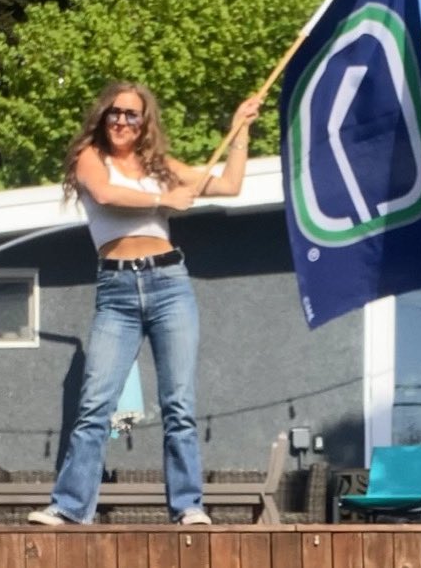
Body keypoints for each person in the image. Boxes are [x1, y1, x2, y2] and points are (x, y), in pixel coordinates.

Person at [28, 81, 261, 526]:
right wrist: (164, 199)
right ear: (103, 116)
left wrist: (240, 131)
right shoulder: (90, 159)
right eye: (115, 112)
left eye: (131, 114)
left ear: (143, 122)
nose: (121, 120)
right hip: (116, 291)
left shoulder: (160, 167)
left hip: (169, 283)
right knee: (96, 403)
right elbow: (106, 195)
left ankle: (189, 506)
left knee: (179, 403)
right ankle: (71, 506)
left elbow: (230, 185)